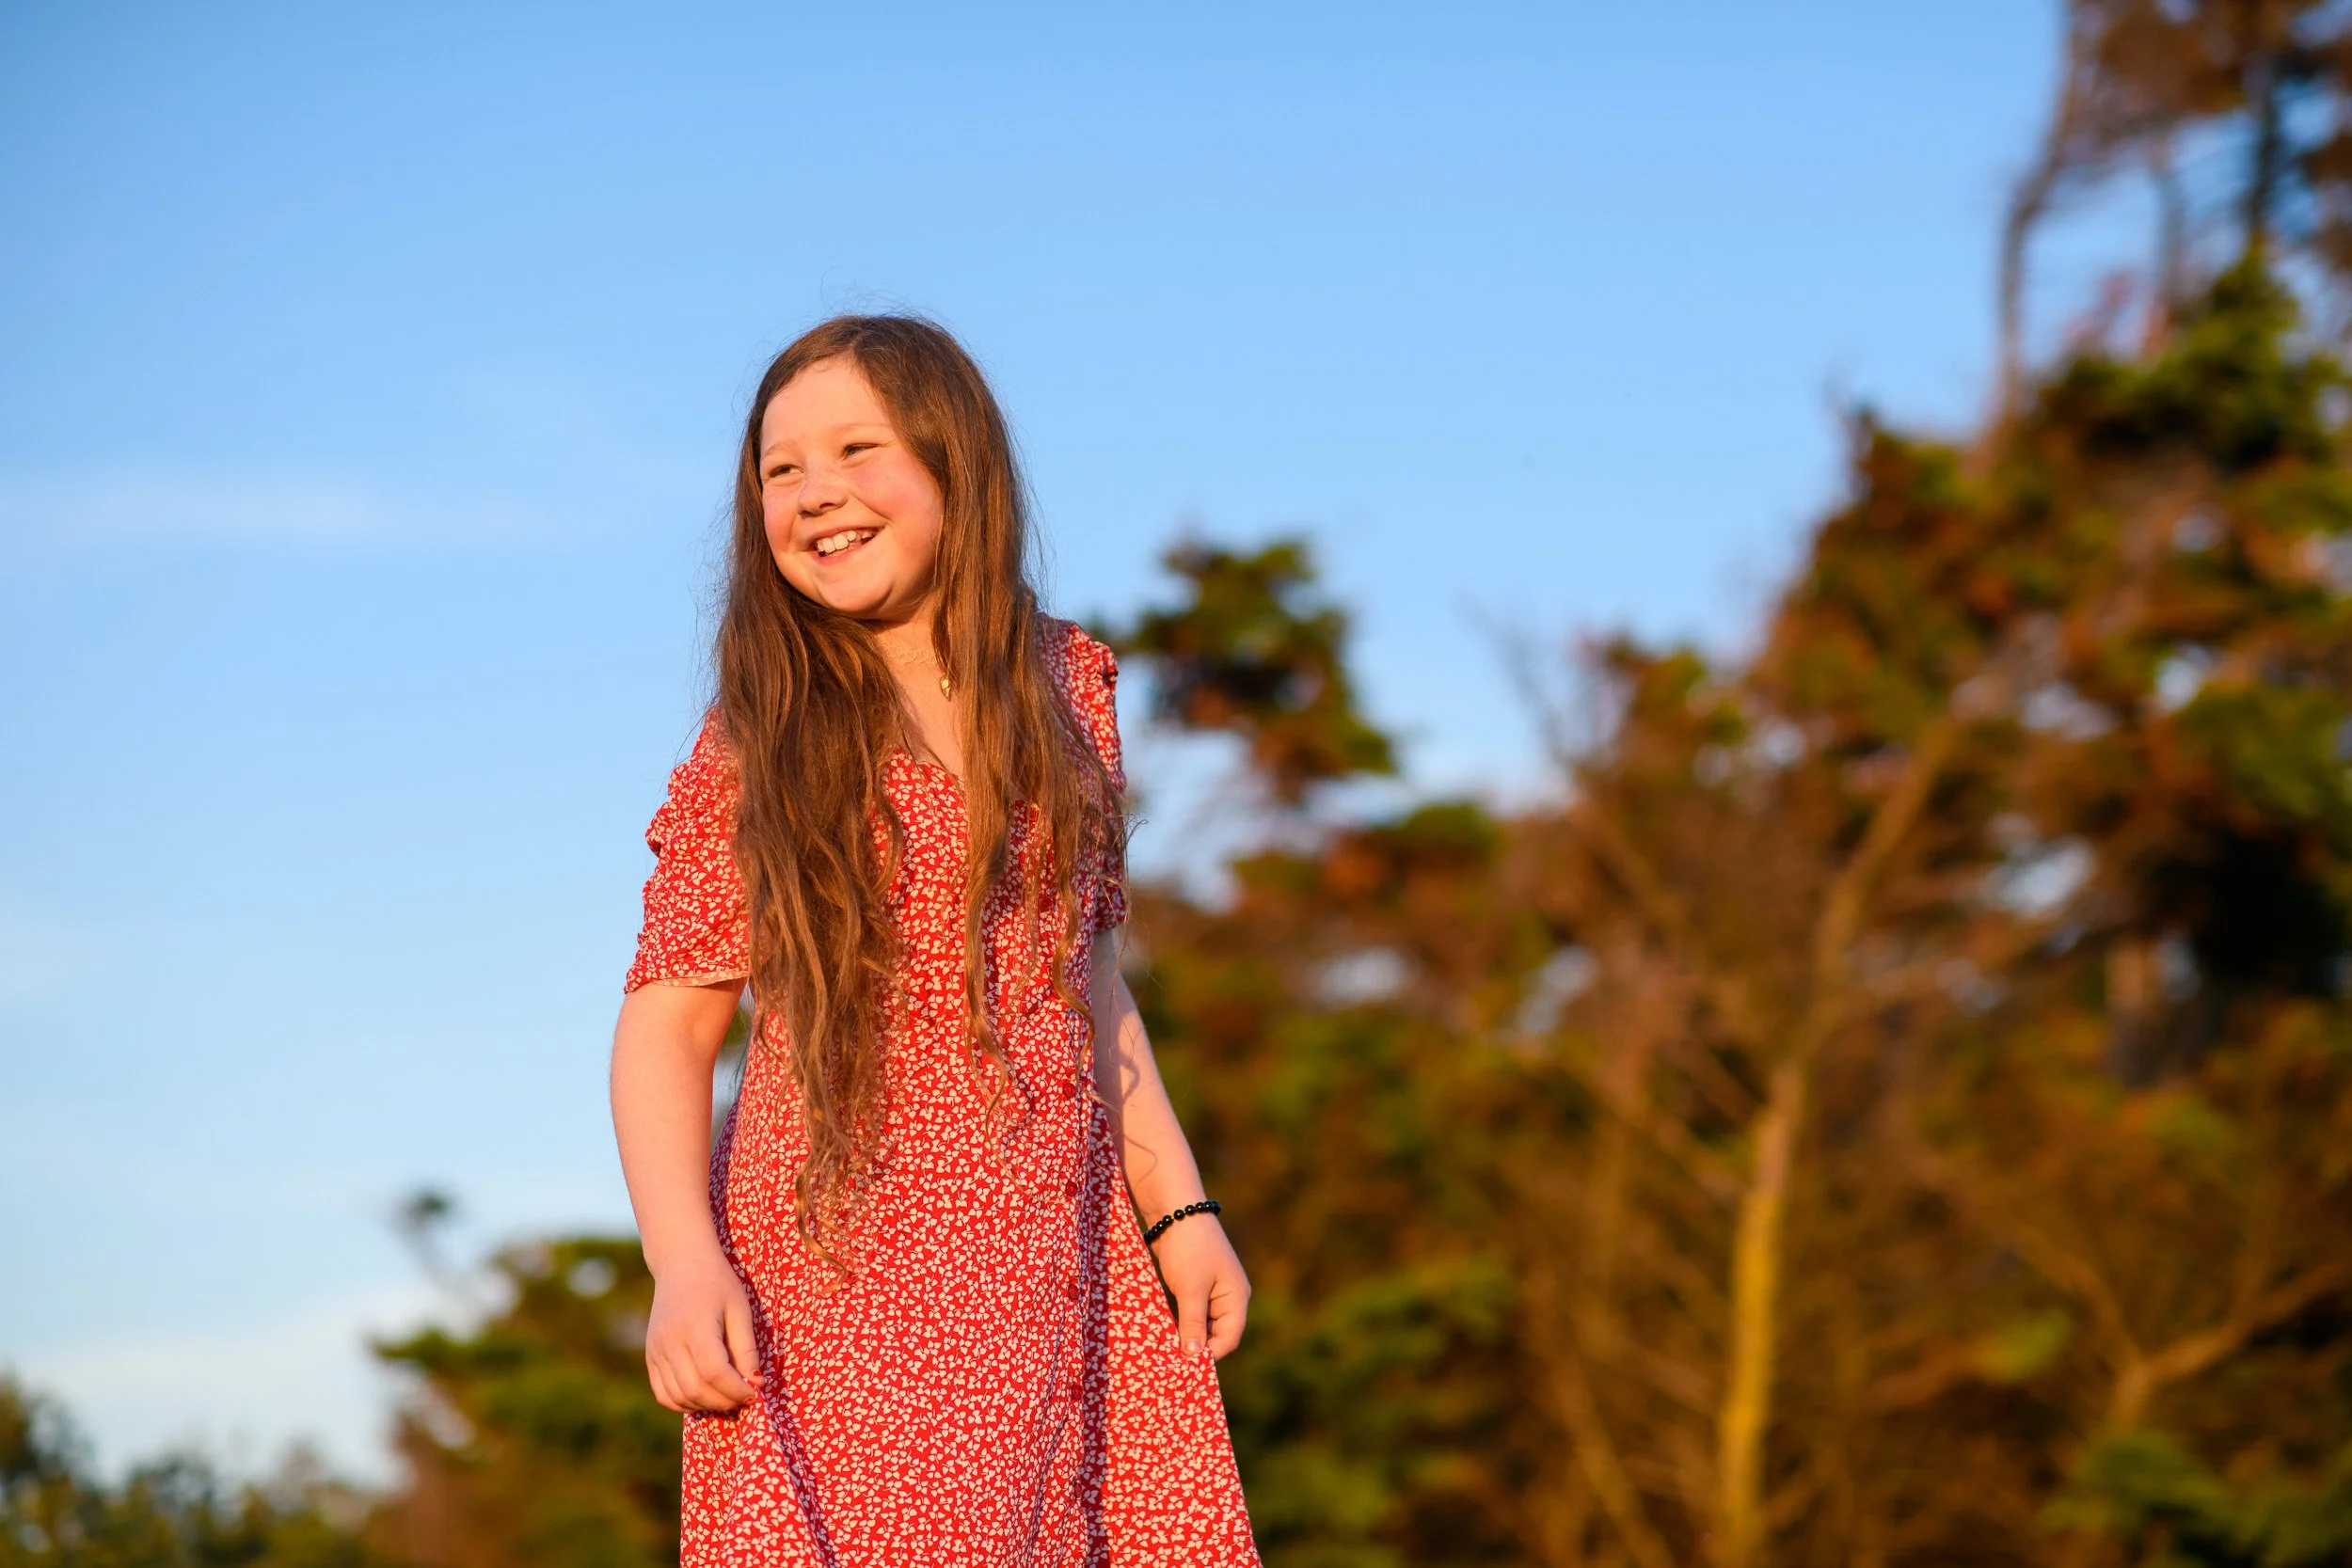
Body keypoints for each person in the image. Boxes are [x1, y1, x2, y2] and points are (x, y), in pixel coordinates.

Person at [608, 315, 1260, 1565]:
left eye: (857, 448)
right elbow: (666, 1024)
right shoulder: (764, 737)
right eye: (780, 469)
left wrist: (1180, 1210)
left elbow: (1093, 974)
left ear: (958, 465)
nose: (815, 492)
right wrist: (681, 1264)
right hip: (845, 1271)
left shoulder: (1070, 688)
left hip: (1066, 1255)